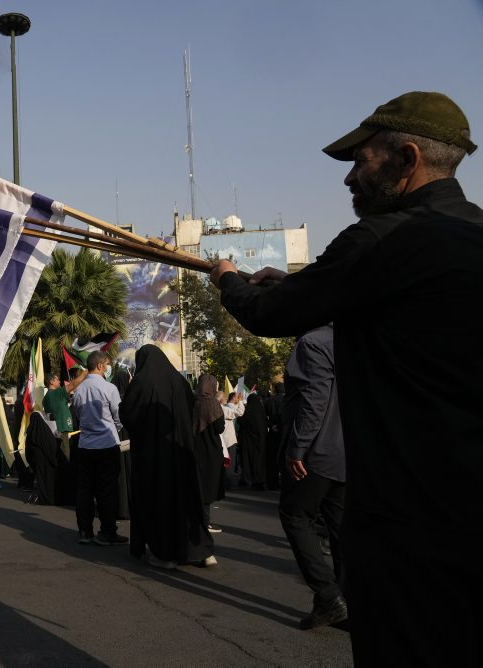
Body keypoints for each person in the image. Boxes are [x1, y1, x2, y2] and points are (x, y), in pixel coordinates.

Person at [209, 91, 483, 664]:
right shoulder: (468, 234)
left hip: (407, 513)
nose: (350, 178)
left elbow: (268, 317)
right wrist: (286, 279)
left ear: (407, 158)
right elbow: (380, 298)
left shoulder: (382, 239)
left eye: (362, 161)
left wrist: (228, 276)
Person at [275, 325, 347, 630]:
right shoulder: (348, 338)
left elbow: (314, 400)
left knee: (294, 516)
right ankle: (342, 602)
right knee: (340, 527)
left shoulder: (312, 343)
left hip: (316, 452)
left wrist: (298, 447)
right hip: (344, 452)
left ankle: (330, 597)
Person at [120, 345, 214, 570]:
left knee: (160, 500)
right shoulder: (180, 382)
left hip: (154, 456)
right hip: (182, 451)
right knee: (187, 499)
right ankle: (200, 550)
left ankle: (166, 554)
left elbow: (129, 415)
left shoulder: (142, 383)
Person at [70, 351, 127, 546]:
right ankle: (107, 531)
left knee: (85, 489)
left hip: (85, 444)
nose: (109, 367)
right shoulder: (109, 388)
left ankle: (85, 531)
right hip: (107, 444)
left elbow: (77, 413)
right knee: (107, 489)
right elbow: (118, 416)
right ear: (101, 366)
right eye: (108, 364)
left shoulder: (79, 390)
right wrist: (114, 428)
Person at [191, 375, 225, 546]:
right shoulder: (213, 403)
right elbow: (220, 428)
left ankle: (199, 522)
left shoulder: (192, 401)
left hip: (195, 449)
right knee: (209, 490)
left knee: (198, 488)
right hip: (211, 451)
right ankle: (205, 522)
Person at [237, 394, 268, 491]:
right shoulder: (261, 412)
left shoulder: (249, 411)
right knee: (259, 461)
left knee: (249, 460)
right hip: (261, 442)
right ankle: (260, 480)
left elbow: (242, 421)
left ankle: (249, 479)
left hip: (249, 442)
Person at [219, 392, 244, 484]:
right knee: (229, 462)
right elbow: (240, 412)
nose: (226, 399)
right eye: (224, 397)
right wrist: (240, 402)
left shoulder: (216, 408)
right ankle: (228, 482)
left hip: (221, 438)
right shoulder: (225, 409)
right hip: (229, 439)